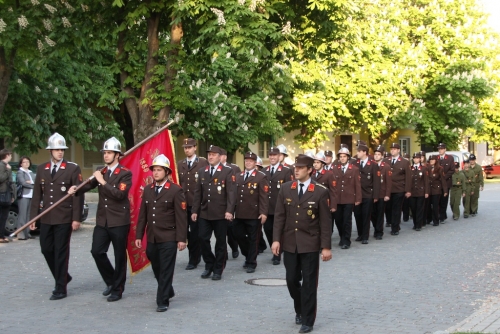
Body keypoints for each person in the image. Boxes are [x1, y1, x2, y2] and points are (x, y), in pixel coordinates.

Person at [272, 154, 332, 334]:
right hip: (290, 242)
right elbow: (280, 217)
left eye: (300, 168)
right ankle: (299, 307)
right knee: (291, 280)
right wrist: (276, 239)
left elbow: (325, 222)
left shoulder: (320, 191)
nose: (296, 170)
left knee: (309, 283)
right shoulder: (286, 189)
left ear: (310, 170)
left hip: (310, 243)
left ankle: (307, 319)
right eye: (294, 167)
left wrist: (326, 247)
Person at [71, 137, 132, 302]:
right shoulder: (101, 170)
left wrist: (102, 181)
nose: (106, 155)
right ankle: (112, 281)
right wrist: (76, 189)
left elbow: (120, 195)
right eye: (105, 152)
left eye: (109, 153)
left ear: (117, 155)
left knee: (119, 256)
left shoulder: (125, 173)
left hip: (119, 220)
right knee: (97, 251)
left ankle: (117, 289)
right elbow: (88, 185)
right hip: (103, 220)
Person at [29, 133, 83, 300]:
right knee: (46, 249)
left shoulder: (72, 168)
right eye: (57, 149)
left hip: (64, 217)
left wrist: (76, 218)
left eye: (62, 149)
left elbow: (78, 195)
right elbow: (37, 195)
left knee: (61, 252)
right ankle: (64, 276)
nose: (60, 152)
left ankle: (60, 288)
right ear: (50, 151)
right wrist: (33, 218)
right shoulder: (41, 169)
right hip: (46, 217)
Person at [135, 154, 187, 312]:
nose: (155, 173)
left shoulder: (175, 190)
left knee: (166, 268)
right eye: (154, 170)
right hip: (153, 237)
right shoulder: (148, 190)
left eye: (159, 170)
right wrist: (139, 235)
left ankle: (162, 300)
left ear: (166, 172)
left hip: (169, 237)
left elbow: (181, 217)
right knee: (156, 265)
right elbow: (143, 214)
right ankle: (168, 289)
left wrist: (181, 239)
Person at [191, 145, 236, 280]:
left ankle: (218, 268)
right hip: (205, 212)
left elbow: (231, 193)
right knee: (202, 238)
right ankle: (209, 263)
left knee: (220, 242)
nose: (210, 157)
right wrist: (194, 210)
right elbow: (197, 193)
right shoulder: (202, 171)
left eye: (213, 154)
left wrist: (229, 210)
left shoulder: (227, 171)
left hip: (221, 213)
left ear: (220, 156)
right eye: (209, 154)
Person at [232, 152, 269, 273]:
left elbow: (264, 196)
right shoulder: (238, 176)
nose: (248, 163)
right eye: (246, 160)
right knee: (238, 235)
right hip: (239, 213)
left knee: (254, 239)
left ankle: (252, 262)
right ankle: (248, 255)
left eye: (251, 161)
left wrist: (263, 212)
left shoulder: (260, 177)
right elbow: (233, 195)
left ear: (255, 163)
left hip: (254, 213)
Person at [177, 138, 209, 270]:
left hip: (197, 204)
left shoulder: (202, 162)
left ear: (195, 147)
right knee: (186, 232)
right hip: (184, 204)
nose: (187, 150)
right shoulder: (180, 164)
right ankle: (196, 252)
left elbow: (206, 183)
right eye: (185, 147)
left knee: (196, 232)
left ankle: (193, 259)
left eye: (189, 147)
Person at [263, 146, 293, 265]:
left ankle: (277, 254)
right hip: (268, 207)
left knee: (279, 230)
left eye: (274, 155)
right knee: (268, 229)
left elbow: (289, 189)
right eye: (270, 155)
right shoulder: (264, 171)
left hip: (280, 206)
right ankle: (274, 246)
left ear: (279, 157)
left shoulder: (286, 171)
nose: (272, 157)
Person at [333, 147, 361, 249]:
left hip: (349, 198)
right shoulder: (334, 168)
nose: (342, 158)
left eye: (344, 156)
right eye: (341, 157)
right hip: (337, 199)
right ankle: (342, 237)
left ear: (348, 157)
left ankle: (346, 240)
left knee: (347, 220)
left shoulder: (354, 169)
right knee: (338, 219)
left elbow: (357, 185)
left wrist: (358, 198)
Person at [353, 141, 380, 244]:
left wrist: (376, 196)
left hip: (368, 194)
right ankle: (360, 234)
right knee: (357, 214)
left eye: (359, 151)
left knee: (366, 215)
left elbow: (376, 182)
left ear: (364, 152)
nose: (357, 153)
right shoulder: (354, 163)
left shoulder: (373, 165)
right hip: (356, 194)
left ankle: (365, 236)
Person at [220, 148, 241, 260]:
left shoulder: (233, 168)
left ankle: (234, 246)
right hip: (218, 205)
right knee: (221, 232)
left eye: (221, 155)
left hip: (230, 204)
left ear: (225, 156)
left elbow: (235, 187)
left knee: (230, 230)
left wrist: (233, 205)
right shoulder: (211, 169)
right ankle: (224, 253)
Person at [388, 143, 411, 235]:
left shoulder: (405, 162)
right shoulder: (386, 160)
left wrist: (408, 190)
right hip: (388, 189)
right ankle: (394, 224)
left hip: (399, 189)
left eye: (394, 149)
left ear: (398, 150)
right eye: (391, 149)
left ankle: (395, 228)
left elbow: (408, 177)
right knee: (389, 209)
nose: (392, 150)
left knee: (396, 209)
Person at [371, 145, 392, 240]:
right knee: (372, 213)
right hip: (372, 194)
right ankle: (376, 228)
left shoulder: (386, 167)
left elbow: (388, 182)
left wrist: (387, 194)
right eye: (375, 154)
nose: (376, 156)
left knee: (380, 213)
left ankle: (379, 232)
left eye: (378, 154)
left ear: (382, 156)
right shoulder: (371, 165)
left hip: (382, 194)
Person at [16, 156, 36, 240]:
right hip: (24, 195)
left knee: (29, 215)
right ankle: (20, 234)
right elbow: (23, 183)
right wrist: (32, 184)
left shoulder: (31, 172)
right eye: (24, 162)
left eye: (28, 161)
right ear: (21, 163)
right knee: (22, 215)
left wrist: (30, 182)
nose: (26, 163)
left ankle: (27, 233)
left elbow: (37, 181)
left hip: (31, 195)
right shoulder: (20, 172)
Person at [409, 153, 429, 231]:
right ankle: (415, 223)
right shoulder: (410, 168)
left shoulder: (423, 168)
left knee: (419, 208)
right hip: (412, 192)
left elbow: (426, 181)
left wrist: (426, 192)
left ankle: (419, 224)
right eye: (414, 158)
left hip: (421, 191)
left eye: (417, 158)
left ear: (420, 159)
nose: (416, 159)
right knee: (413, 209)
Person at [427, 155, 447, 226]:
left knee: (435, 205)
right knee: (428, 205)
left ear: (436, 160)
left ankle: (436, 220)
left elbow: (443, 180)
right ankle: (428, 219)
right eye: (430, 160)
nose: (431, 161)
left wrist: (445, 190)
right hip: (429, 189)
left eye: (433, 159)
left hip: (436, 189)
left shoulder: (439, 168)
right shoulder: (427, 168)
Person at [437, 143, 455, 222]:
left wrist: (444, 177)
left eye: (442, 149)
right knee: (438, 199)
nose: (440, 150)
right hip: (437, 183)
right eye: (439, 149)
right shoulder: (436, 158)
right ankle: (440, 214)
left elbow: (452, 170)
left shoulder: (450, 158)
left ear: (445, 149)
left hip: (446, 182)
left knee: (444, 199)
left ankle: (442, 216)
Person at [0, 149, 14, 243]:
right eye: (10, 155)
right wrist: (8, 170)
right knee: (2, 216)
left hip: (6, 193)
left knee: (4, 216)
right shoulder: (1, 165)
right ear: (7, 155)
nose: (11, 157)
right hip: (2, 193)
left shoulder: (5, 165)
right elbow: (1, 178)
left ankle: (2, 235)